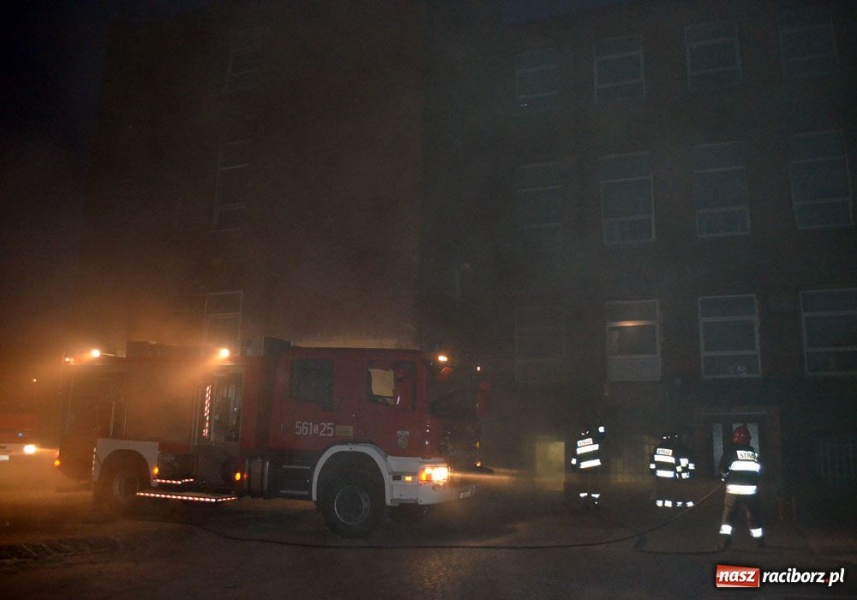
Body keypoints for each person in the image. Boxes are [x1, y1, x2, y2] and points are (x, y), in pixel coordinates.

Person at [717, 424, 765, 550]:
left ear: (736, 438)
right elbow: (759, 471)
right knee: (754, 515)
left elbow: (722, 469)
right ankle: (759, 541)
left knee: (728, 516)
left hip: (734, 491)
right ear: (748, 439)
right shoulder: (753, 454)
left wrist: (725, 477)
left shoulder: (730, 452)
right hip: (751, 491)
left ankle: (724, 542)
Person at [650, 432, 696, 508]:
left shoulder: (656, 449)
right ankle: (671, 506)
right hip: (671, 475)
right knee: (670, 492)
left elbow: (652, 463)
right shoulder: (674, 449)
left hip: (659, 475)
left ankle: (660, 506)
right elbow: (677, 463)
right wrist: (680, 473)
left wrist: (652, 471)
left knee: (661, 491)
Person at [567, 425, 606, 509]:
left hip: (583, 468)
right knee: (595, 485)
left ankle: (583, 502)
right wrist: (601, 425)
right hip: (595, 467)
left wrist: (573, 466)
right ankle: (596, 502)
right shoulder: (594, 439)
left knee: (583, 485)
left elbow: (574, 456)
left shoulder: (578, 443)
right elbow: (602, 435)